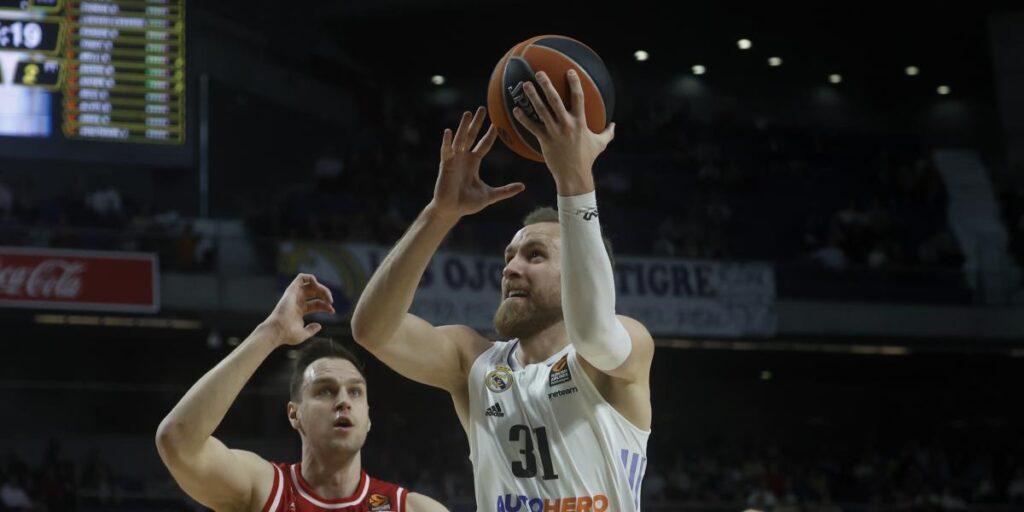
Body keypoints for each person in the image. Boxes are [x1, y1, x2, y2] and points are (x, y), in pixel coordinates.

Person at [351, 69, 654, 511]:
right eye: (508, 257)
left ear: (581, 270)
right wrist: (440, 214)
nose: (510, 268)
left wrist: (575, 180)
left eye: (534, 255)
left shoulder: (623, 347)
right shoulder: (473, 361)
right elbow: (372, 330)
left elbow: (592, 334)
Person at [156, 273, 447, 512]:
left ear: (369, 418)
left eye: (355, 393)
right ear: (295, 414)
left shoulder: (411, 508)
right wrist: (271, 331)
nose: (343, 401)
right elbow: (177, 440)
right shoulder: (264, 489)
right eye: (325, 391)